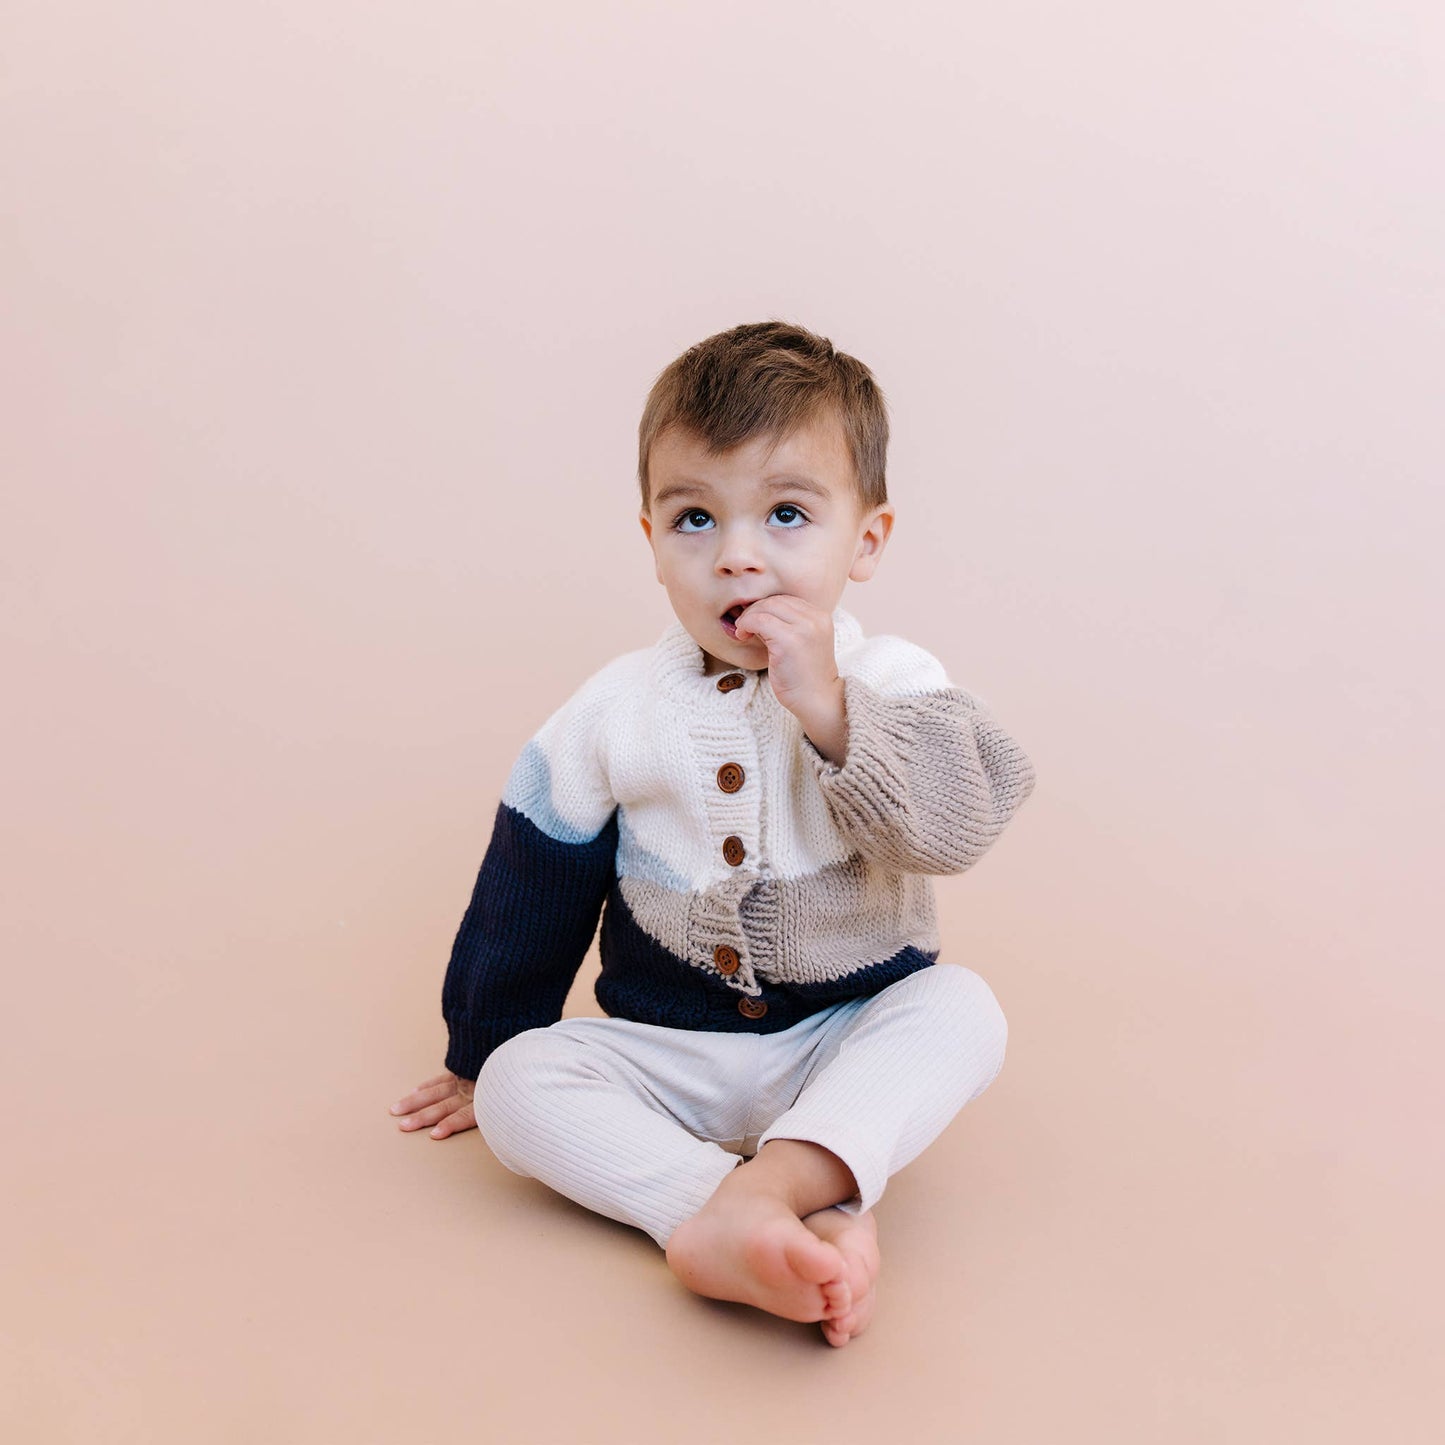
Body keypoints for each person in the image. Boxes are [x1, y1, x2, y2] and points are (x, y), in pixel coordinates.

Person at [388, 320, 1036, 1348]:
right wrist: (478, 1047)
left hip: (840, 1033)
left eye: (786, 513)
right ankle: (744, 1204)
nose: (737, 556)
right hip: (668, 1049)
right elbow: (530, 879)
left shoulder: (894, 683)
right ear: (649, 541)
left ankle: (780, 1181)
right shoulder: (613, 709)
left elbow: (957, 822)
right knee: (521, 1084)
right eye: (694, 518)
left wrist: (831, 710)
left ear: (864, 539)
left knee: (962, 1009)